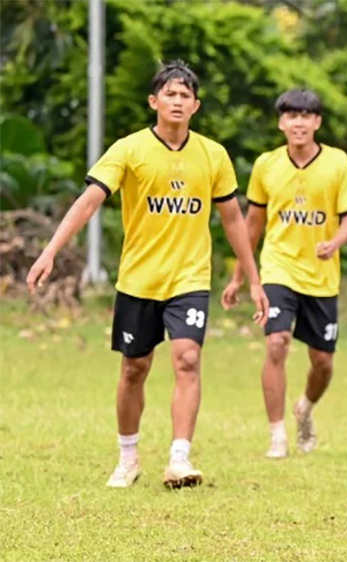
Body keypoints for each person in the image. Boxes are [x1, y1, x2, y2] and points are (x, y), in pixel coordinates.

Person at [26, 60, 268, 489]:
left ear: (195, 106)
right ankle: (128, 456)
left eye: (185, 95)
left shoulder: (213, 155)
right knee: (133, 369)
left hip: (190, 279)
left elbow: (233, 219)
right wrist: (50, 251)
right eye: (169, 94)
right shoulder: (129, 149)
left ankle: (179, 459)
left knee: (188, 359)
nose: (177, 101)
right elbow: (89, 201)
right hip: (138, 280)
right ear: (154, 101)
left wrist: (252, 279)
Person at [222, 89, 347, 459]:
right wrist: (239, 277)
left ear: (317, 122)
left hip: (321, 276)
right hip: (278, 267)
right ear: (281, 123)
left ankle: (305, 409)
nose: (298, 123)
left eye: (306, 116)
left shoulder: (337, 163)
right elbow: (252, 225)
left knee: (323, 362)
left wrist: (335, 242)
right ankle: (277, 436)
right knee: (276, 342)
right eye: (291, 116)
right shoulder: (266, 165)